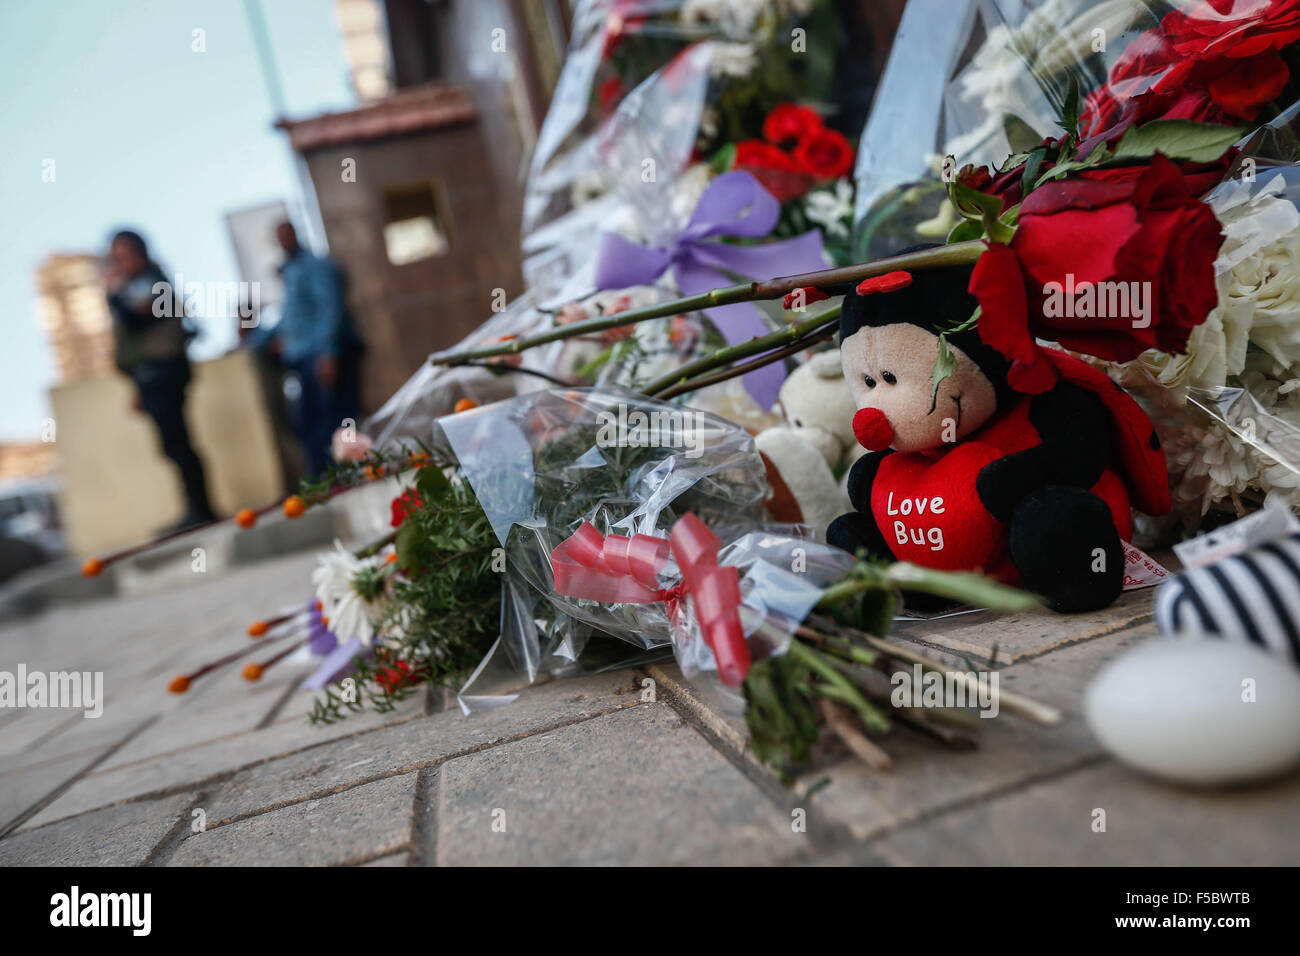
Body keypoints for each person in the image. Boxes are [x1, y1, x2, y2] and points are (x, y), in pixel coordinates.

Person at [105, 229, 216, 530]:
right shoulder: (134, 286)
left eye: (125, 254)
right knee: (171, 444)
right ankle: (195, 509)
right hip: (149, 377)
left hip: (165, 372)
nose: (121, 262)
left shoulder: (152, 282)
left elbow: (137, 320)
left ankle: (201, 511)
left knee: (178, 442)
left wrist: (113, 295)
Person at [249, 222, 362, 476]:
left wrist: (328, 353)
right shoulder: (290, 274)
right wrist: (261, 338)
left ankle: (345, 476)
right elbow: (290, 317)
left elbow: (331, 309)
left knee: (335, 421)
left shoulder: (316, 266)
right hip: (304, 360)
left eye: (287, 234)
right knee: (308, 424)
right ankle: (324, 480)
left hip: (323, 356)